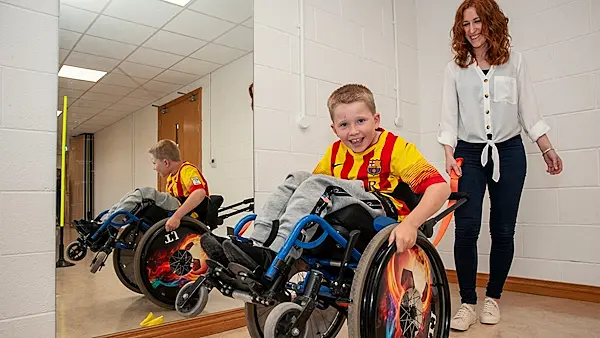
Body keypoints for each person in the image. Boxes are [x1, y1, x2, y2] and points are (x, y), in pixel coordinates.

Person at [201, 84, 451, 275]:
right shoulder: (334, 152)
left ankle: (274, 253)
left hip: (383, 211)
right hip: (347, 203)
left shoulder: (395, 148)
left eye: (361, 121)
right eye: (344, 124)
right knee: (298, 178)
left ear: (376, 120)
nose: (353, 131)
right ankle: (255, 245)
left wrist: (411, 225)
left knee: (316, 183)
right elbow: (307, 191)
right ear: (334, 128)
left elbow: (440, 187)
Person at [437, 0, 563, 331]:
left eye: (478, 21)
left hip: (509, 152)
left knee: (503, 229)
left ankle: (493, 298)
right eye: (465, 24)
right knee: (466, 229)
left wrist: (546, 147)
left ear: (492, 22)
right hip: (468, 153)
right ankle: (467, 302)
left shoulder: (515, 63)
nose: (472, 29)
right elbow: (449, 119)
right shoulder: (455, 69)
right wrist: (449, 152)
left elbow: (529, 113)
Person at [148, 139, 210, 232]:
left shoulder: (187, 171)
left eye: (154, 163)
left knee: (146, 193)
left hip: (192, 217)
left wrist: (176, 217)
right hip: (177, 211)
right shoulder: (171, 179)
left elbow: (199, 192)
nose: (154, 168)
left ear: (166, 163)